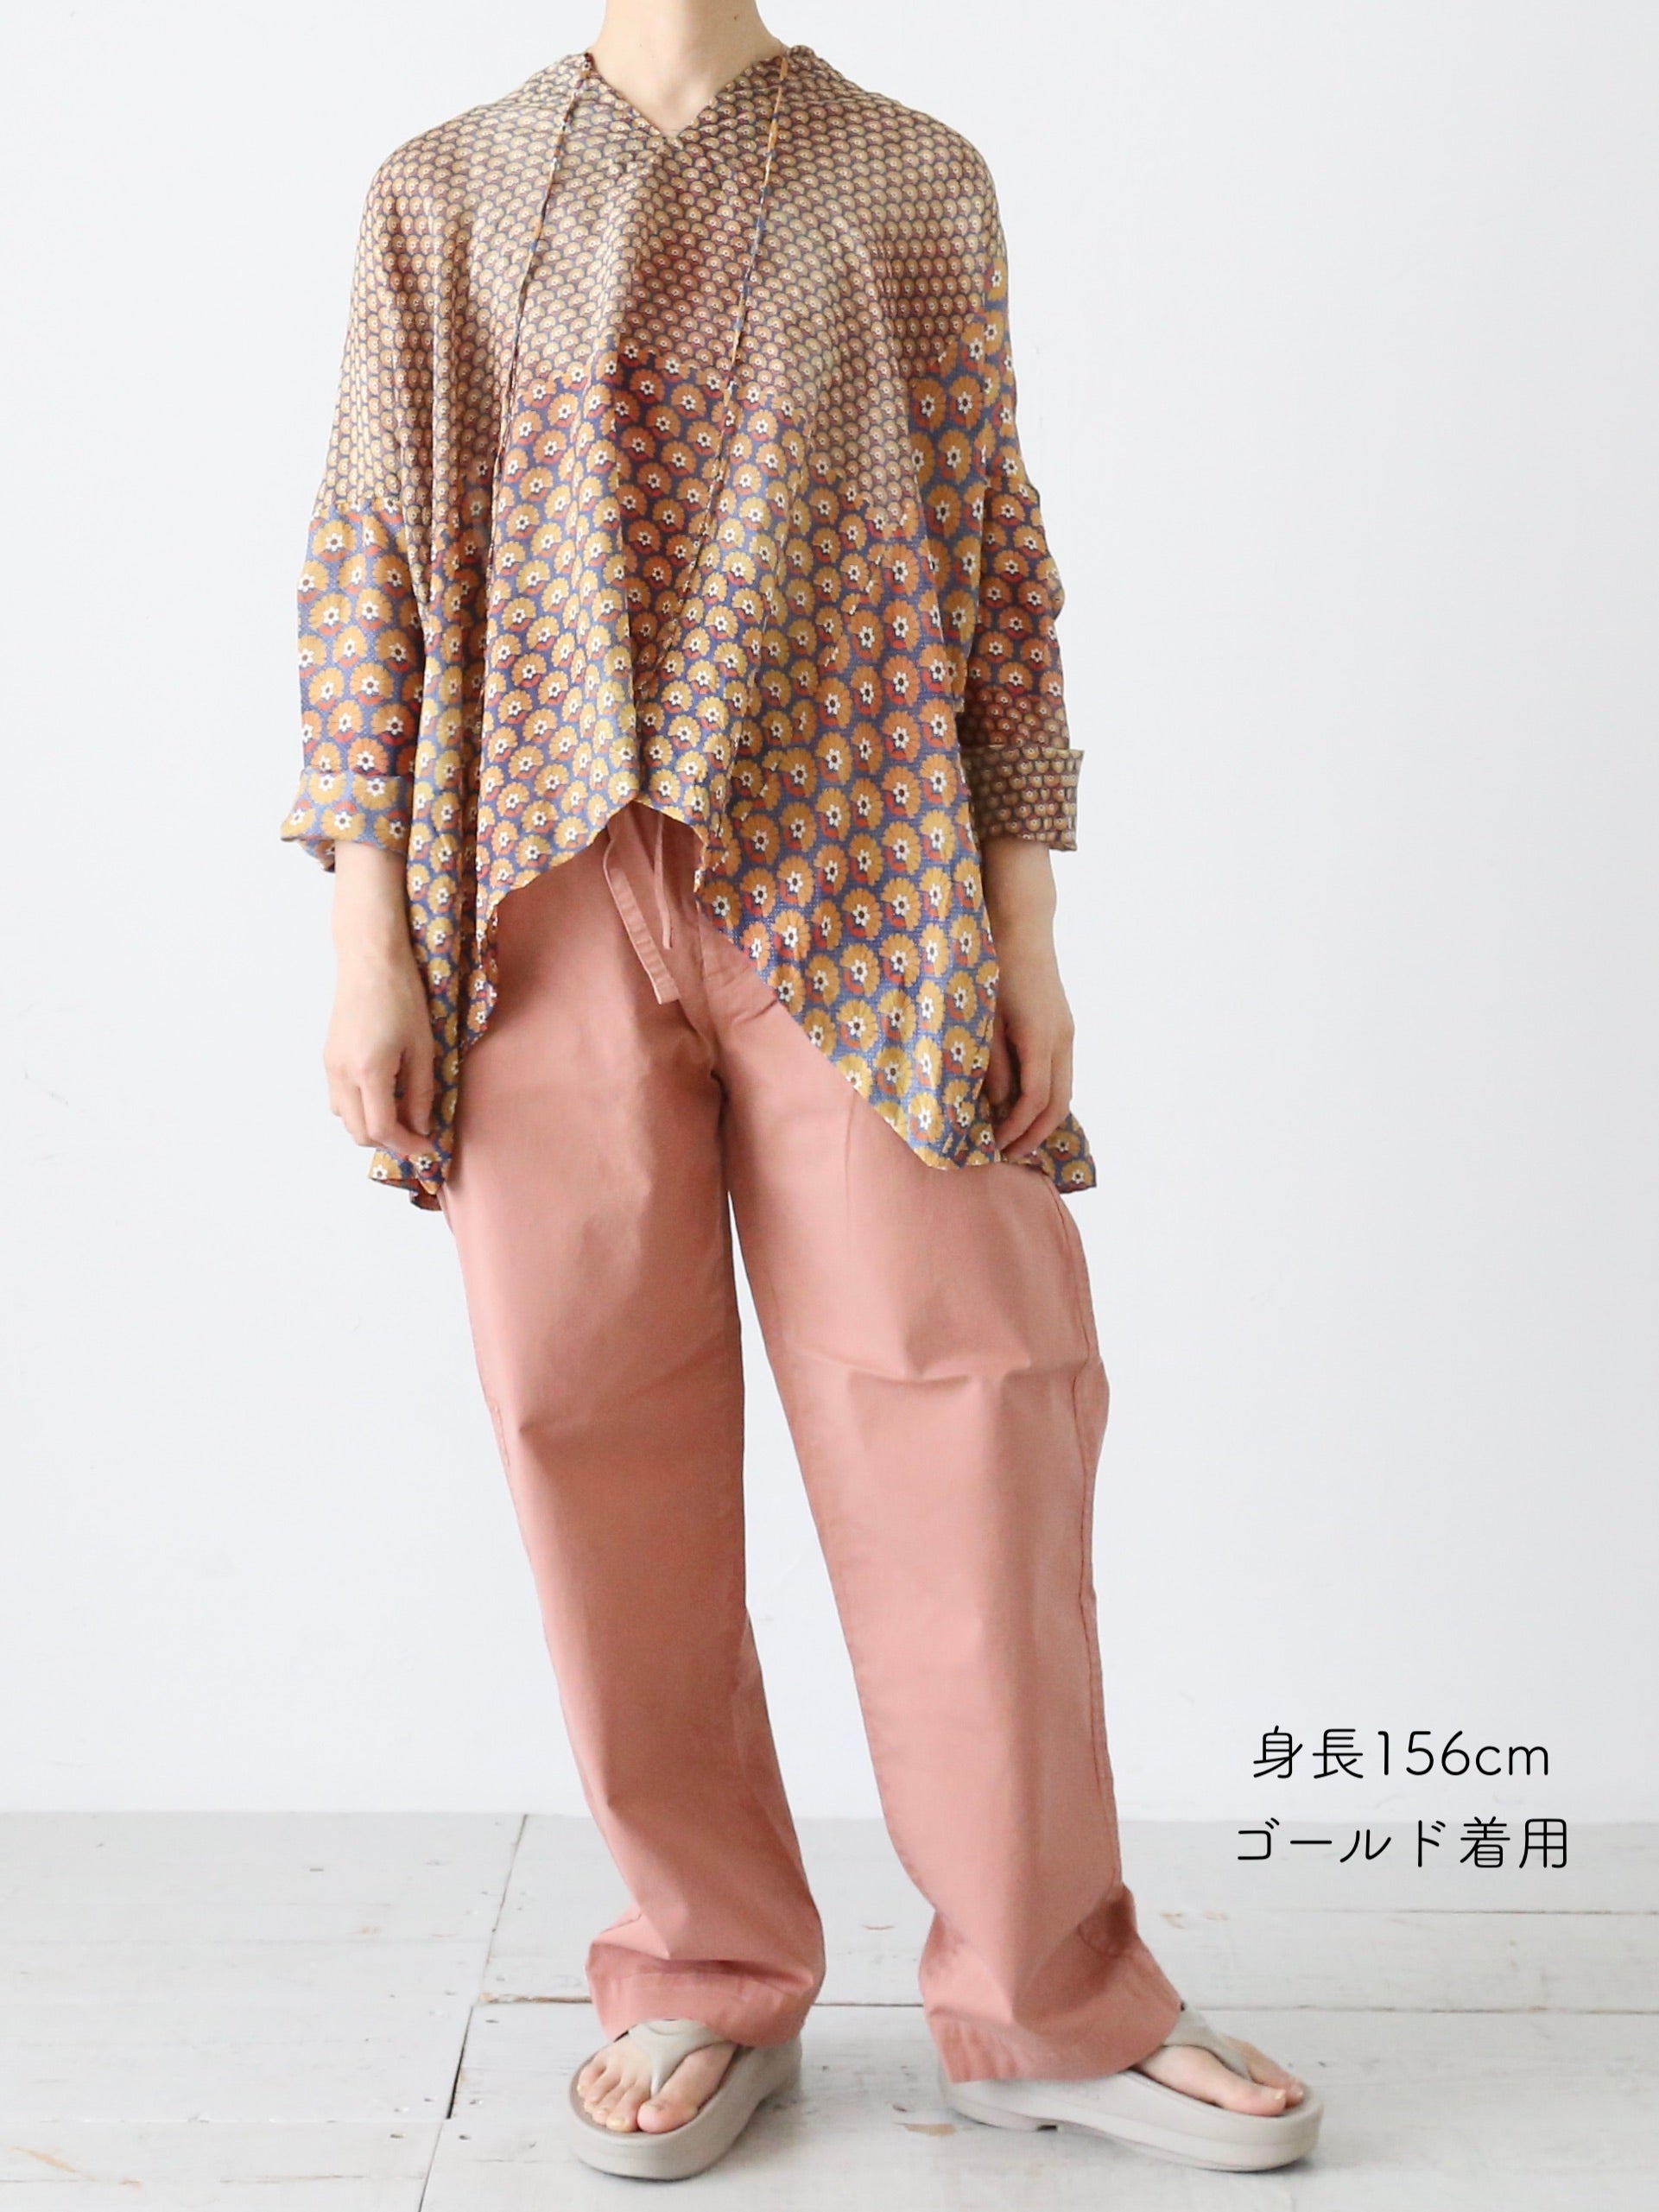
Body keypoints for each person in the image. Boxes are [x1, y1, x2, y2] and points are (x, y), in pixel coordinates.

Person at [283, 0, 1323, 2181]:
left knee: (973, 1413)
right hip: (533, 884)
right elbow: (370, 550)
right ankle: (701, 1968)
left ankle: (1046, 1999)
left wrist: (1027, 925)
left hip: (868, 864)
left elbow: (990, 552)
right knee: (591, 1428)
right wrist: (366, 925)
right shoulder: (441, 193)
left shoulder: (911, 176)